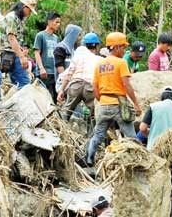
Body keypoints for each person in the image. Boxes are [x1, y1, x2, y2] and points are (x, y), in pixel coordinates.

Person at [86, 32, 141, 166]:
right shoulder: (121, 63)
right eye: (123, 47)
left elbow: (94, 86)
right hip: (118, 104)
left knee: (98, 135)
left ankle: (89, 158)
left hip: (104, 104)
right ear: (116, 47)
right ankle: (138, 160)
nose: (124, 50)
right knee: (130, 135)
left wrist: (101, 99)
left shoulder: (99, 64)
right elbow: (126, 85)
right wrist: (136, 104)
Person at [57, 32, 101, 121]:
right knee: (92, 113)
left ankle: (61, 128)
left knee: (66, 111)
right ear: (96, 46)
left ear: (85, 45)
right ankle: (91, 133)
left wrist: (61, 90)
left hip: (75, 85)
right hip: (90, 87)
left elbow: (69, 74)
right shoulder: (99, 60)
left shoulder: (78, 57)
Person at [0, 0, 37, 89]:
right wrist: (21, 57)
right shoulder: (11, 17)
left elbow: (17, 38)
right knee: (25, 84)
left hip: (15, 52)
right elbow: (11, 38)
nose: (29, 14)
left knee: (16, 83)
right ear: (24, 7)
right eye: (29, 10)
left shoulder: (19, 19)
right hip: (10, 53)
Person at [33, 12, 62, 100]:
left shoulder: (56, 38)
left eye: (59, 22)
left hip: (54, 72)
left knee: (54, 98)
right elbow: (37, 52)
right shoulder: (40, 35)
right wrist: (41, 68)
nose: (58, 24)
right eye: (56, 22)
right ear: (49, 22)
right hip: (44, 72)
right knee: (44, 97)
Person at [54, 24, 82, 88]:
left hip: (71, 83)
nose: (80, 38)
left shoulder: (73, 49)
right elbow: (60, 68)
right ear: (73, 35)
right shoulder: (60, 48)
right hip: (63, 84)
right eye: (79, 35)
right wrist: (64, 85)